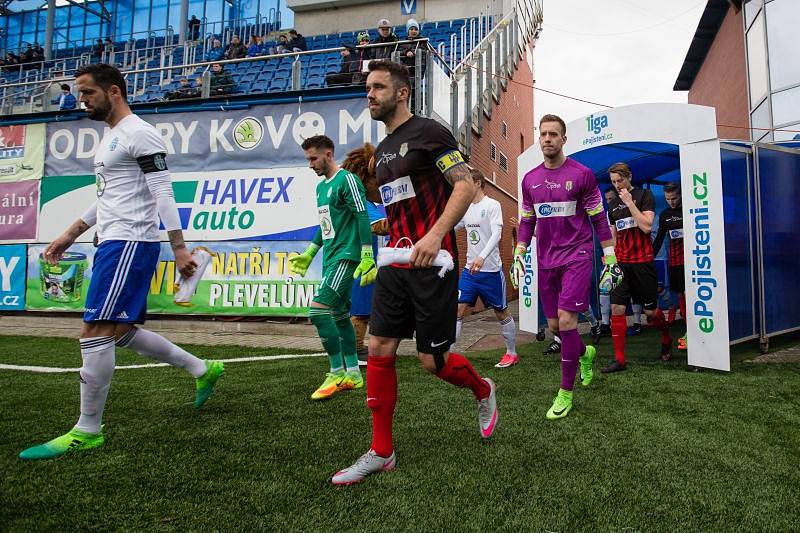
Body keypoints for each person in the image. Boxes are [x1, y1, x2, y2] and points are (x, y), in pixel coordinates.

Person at [18, 63, 224, 461]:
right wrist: (69, 234)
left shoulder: (139, 133)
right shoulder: (112, 138)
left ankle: (88, 429)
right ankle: (203, 368)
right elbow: (107, 197)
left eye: (87, 93)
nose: (81, 101)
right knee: (119, 331)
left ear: (114, 92)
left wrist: (179, 247)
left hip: (130, 242)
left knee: (94, 329)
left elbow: (163, 191)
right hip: (114, 241)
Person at [330, 60, 498, 486]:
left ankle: (483, 390)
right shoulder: (384, 150)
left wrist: (434, 234)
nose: (369, 94)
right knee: (379, 346)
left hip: (433, 263)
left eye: (378, 87)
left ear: (402, 92)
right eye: (367, 87)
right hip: (396, 262)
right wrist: (392, 226)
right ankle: (381, 451)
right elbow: (405, 202)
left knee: (431, 361)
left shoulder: (430, 132)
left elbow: (463, 184)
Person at [510, 113, 620, 420]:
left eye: (553, 134)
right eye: (543, 134)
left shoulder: (582, 174)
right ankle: (586, 354)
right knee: (557, 328)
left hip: (578, 255)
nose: (547, 139)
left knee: (568, 322)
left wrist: (609, 256)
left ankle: (565, 393)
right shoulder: (529, 179)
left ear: (563, 139)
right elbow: (527, 220)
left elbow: (599, 218)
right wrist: (519, 251)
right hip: (546, 260)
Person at [289, 135, 374, 400]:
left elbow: (362, 215)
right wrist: (310, 252)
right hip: (330, 257)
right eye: (308, 159)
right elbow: (325, 224)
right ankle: (354, 374)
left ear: (328, 154)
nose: (310, 164)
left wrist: (367, 254)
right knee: (339, 315)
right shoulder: (321, 188)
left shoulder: (347, 180)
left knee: (317, 311)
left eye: (313, 158)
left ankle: (336, 372)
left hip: (346, 257)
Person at [602, 162, 672, 373]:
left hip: (643, 263)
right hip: (622, 265)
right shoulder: (612, 206)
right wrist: (609, 258)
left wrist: (630, 203)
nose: (617, 185)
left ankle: (666, 338)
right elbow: (613, 236)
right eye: (613, 182)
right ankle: (620, 360)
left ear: (629, 176)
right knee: (618, 308)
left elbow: (646, 226)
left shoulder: (644, 196)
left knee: (651, 313)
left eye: (620, 180)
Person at [454, 167, 518, 367]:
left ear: (478, 183)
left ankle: (511, 353)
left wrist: (482, 257)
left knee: (501, 312)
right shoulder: (465, 208)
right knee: (457, 309)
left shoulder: (493, 205)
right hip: (469, 272)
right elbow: (452, 226)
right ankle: (447, 355)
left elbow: (497, 234)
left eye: (466, 183)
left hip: (490, 271)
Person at [340, 143, 389, 365]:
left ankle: (355, 347)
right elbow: (380, 226)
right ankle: (354, 350)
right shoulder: (358, 200)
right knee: (360, 308)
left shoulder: (360, 199)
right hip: (360, 261)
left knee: (364, 306)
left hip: (364, 260)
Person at [653, 182, 686, 350]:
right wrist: (649, 256)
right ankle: (689, 331)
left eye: (674, 198)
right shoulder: (665, 215)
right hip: (675, 262)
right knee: (682, 294)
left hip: (693, 261)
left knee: (692, 295)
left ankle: (694, 333)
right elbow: (659, 238)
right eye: (668, 199)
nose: (671, 202)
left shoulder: (689, 209)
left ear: (680, 195)